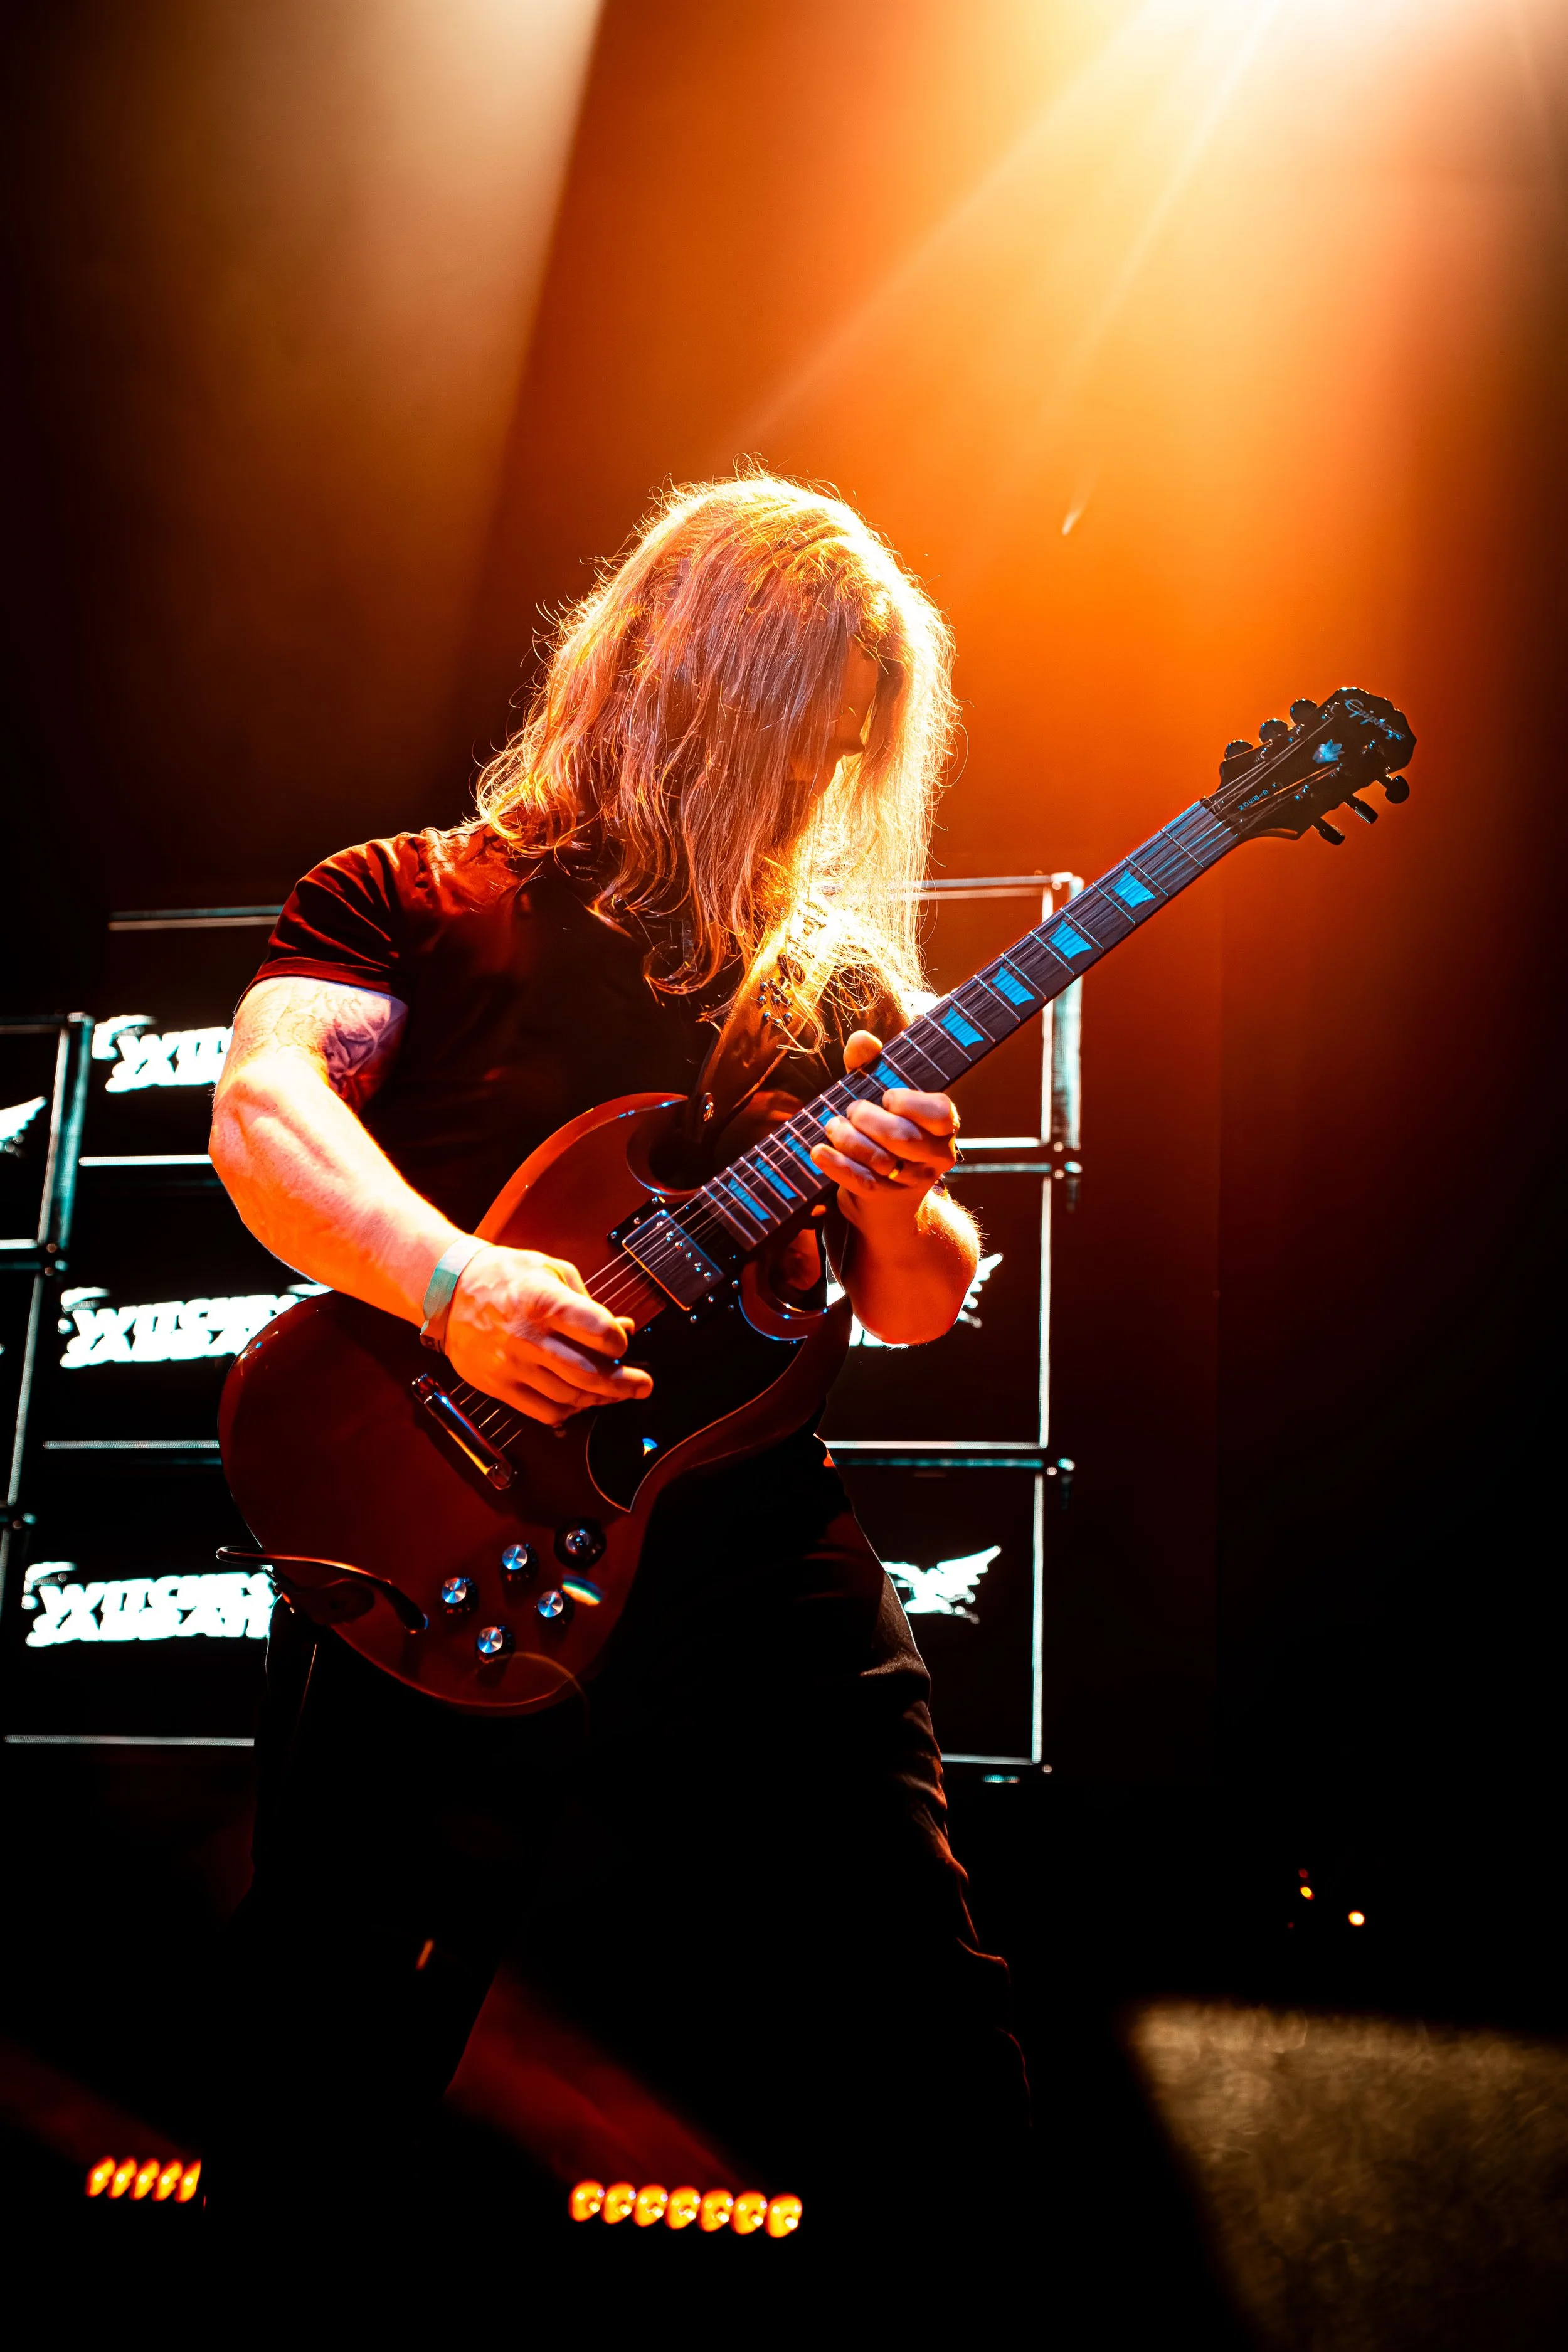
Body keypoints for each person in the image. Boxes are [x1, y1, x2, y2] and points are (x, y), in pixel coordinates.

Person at [203, 473, 1030, 2252]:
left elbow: (910, 1302)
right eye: (798, 733)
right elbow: (264, 1115)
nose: (822, 781)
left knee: (936, 2056)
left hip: (744, 1556)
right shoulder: (414, 898)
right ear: (681, 678)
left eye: (849, 748)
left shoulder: (832, 990)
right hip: (439, 1542)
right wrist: (453, 1286)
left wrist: (902, 1210)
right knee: (325, 2066)